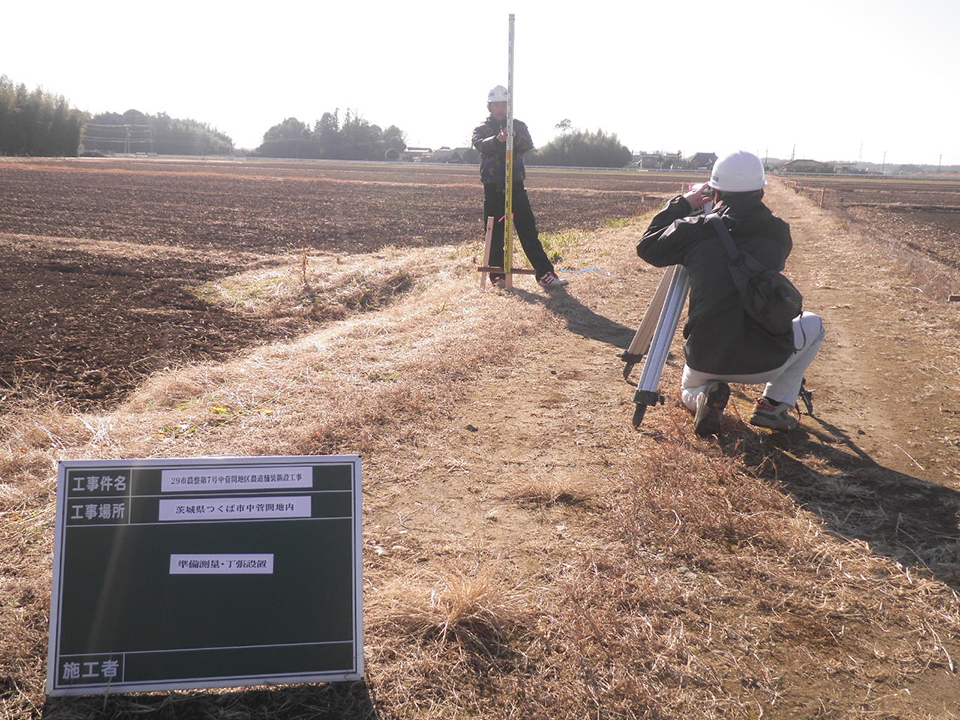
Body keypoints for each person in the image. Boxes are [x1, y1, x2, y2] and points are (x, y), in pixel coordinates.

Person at [635, 150, 825, 436]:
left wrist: (684, 204)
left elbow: (647, 246)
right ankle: (774, 404)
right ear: (761, 189)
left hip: (707, 358)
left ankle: (703, 397)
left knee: (689, 387)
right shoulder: (779, 232)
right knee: (815, 325)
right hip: (767, 359)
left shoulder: (697, 231)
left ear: (714, 189)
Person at [472, 85, 567, 288]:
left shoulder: (519, 126)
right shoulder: (481, 129)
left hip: (515, 184)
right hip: (493, 187)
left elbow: (528, 145)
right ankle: (497, 276)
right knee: (495, 232)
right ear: (489, 107)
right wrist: (498, 140)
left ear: (509, 106)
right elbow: (481, 144)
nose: (499, 108)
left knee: (527, 229)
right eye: (496, 104)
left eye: (503, 104)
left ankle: (544, 274)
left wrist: (514, 136)